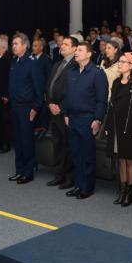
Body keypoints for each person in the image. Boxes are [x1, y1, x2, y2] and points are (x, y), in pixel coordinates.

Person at [62, 42, 108, 199]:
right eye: (76, 50)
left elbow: (102, 100)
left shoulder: (97, 73)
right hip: (72, 118)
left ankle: (87, 187)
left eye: (80, 50)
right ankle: (78, 184)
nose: (76, 52)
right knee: (76, 154)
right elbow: (67, 95)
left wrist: (98, 120)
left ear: (89, 54)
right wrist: (66, 114)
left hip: (88, 119)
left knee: (87, 155)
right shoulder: (72, 72)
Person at [105, 52, 132, 207]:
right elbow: (111, 106)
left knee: (129, 160)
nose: (119, 64)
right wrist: (108, 126)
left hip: (129, 127)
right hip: (116, 126)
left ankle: (129, 192)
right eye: (119, 61)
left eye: (123, 61)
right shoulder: (116, 82)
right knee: (120, 159)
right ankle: (122, 190)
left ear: (131, 65)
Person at [8, 33, 44, 184]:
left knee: (26, 141)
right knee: (17, 141)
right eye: (13, 43)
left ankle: (28, 172)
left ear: (24, 45)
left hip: (26, 108)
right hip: (15, 107)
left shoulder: (32, 63)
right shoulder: (15, 61)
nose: (13, 46)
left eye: (16, 43)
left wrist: (36, 107)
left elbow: (38, 87)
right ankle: (19, 170)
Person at [45, 36, 79, 189]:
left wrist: (61, 106)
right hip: (53, 111)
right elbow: (48, 86)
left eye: (66, 44)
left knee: (69, 146)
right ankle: (58, 175)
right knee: (57, 144)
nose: (61, 46)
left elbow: (73, 91)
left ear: (74, 48)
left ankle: (70, 178)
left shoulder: (75, 65)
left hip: (66, 112)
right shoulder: (57, 64)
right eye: (62, 43)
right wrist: (50, 103)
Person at [31, 38, 52, 134]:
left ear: (41, 47)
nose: (33, 48)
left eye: (35, 46)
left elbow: (48, 77)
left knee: (42, 112)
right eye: (33, 45)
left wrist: (45, 91)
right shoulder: (31, 58)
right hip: (32, 91)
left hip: (42, 91)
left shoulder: (46, 59)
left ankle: (43, 130)